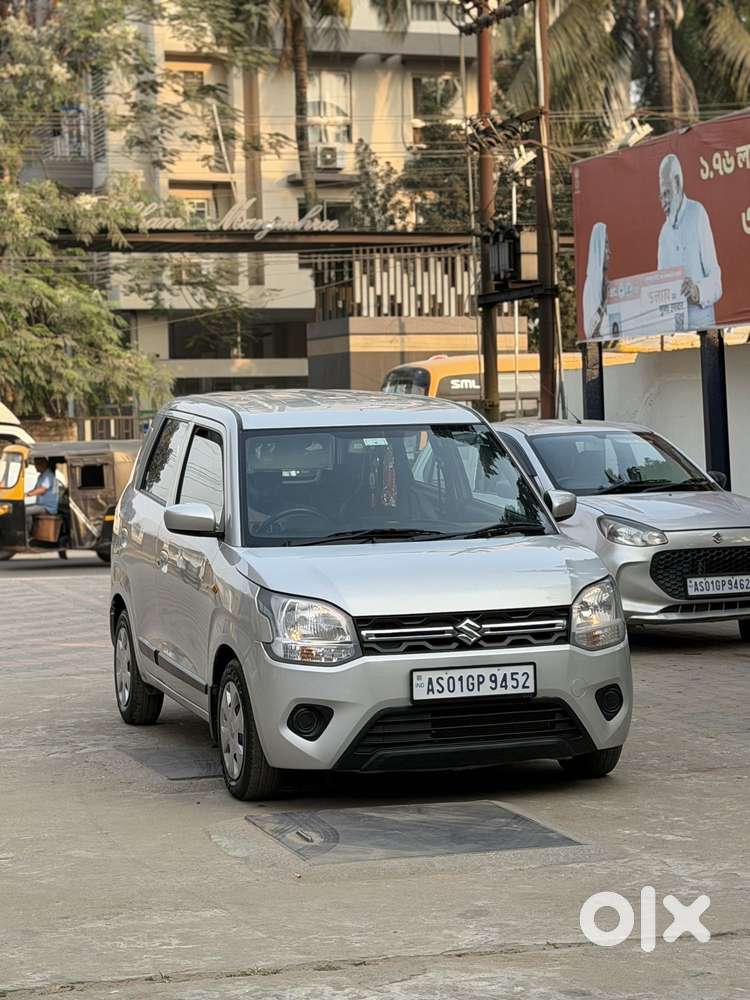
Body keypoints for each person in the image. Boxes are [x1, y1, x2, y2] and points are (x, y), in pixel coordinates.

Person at [657, 153, 722, 330]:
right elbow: (660, 286)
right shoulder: (664, 234)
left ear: (677, 183)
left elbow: (716, 281)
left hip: (704, 330)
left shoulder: (697, 213)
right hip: (675, 334)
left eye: (666, 193)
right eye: (661, 196)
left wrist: (696, 291)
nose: (663, 202)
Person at [582, 222, 611, 339]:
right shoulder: (592, 284)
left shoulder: (601, 282)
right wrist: (604, 301)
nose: (610, 252)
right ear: (599, 248)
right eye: (606, 245)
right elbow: (592, 332)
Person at [25, 457, 58, 537]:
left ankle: (27, 535)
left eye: (36, 464)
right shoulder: (41, 476)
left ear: (42, 464)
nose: (35, 466)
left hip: (47, 507)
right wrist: (25, 493)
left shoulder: (48, 475)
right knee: (22, 507)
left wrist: (28, 495)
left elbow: (42, 489)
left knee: (24, 512)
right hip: (41, 505)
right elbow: (35, 489)